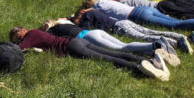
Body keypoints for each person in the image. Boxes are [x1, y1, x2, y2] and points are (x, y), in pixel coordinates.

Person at [9, 27, 170, 81]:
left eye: (17, 37)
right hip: (78, 41)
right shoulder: (36, 31)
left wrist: (15, 45)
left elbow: (18, 48)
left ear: (21, 31)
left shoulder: (29, 36)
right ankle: (146, 60)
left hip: (72, 48)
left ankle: (139, 69)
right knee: (112, 53)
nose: (18, 40)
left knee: (109, 59)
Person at [40, 20, 180, 66]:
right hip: (95, 32)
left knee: (122, 47)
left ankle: (156, 45)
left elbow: (47, 38)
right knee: (124, 45)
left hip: (88, 38)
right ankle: (154, 51)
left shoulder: (54, 30)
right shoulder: (65, 23)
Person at [68, 8, 194, 53]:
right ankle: (182, 36)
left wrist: (71, 22)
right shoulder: (94, 12)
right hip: (123, 22)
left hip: (118, 28)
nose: (77, 22)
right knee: (151, 31)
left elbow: (85, 30)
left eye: (77, 20)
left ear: (80, 14)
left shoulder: (86, 16)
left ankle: (175, 43)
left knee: (144, 37)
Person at [81, 0, 194, 32]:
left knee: (176, 25)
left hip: (138, 16)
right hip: (143, 9)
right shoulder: (105, 1)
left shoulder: (97, 10)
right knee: (174, 21)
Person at [113, 0, 194, 22]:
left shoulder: (123, 2)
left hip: (160, 7)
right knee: (188, 9)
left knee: (185, 14)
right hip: (162, 3)